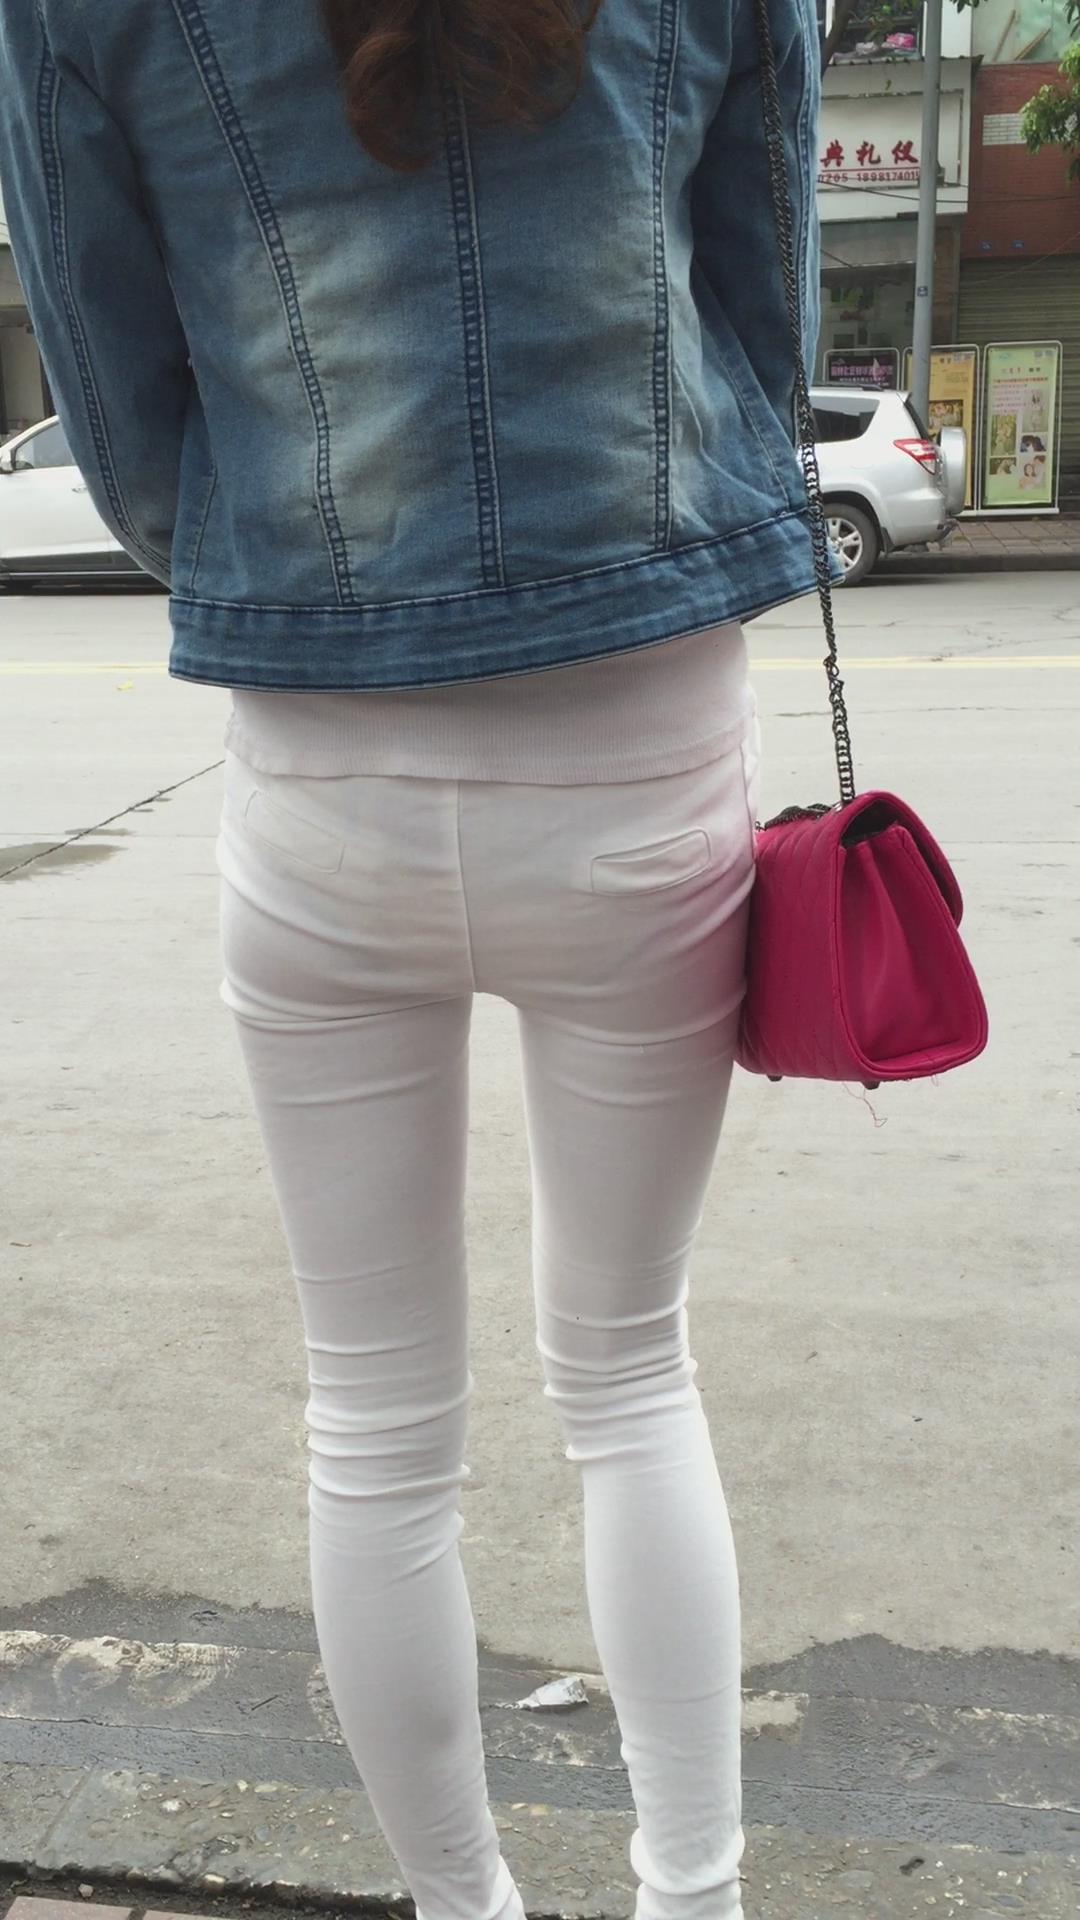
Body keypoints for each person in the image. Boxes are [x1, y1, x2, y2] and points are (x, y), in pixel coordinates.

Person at [0, 4, 820, 1917]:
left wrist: (281, 564)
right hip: (642, 736)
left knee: (374, 1424)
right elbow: (760, 310)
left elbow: (114, 388)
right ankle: (692, 1898)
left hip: (326, 759)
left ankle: (464, 1907)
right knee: (631, 1373)